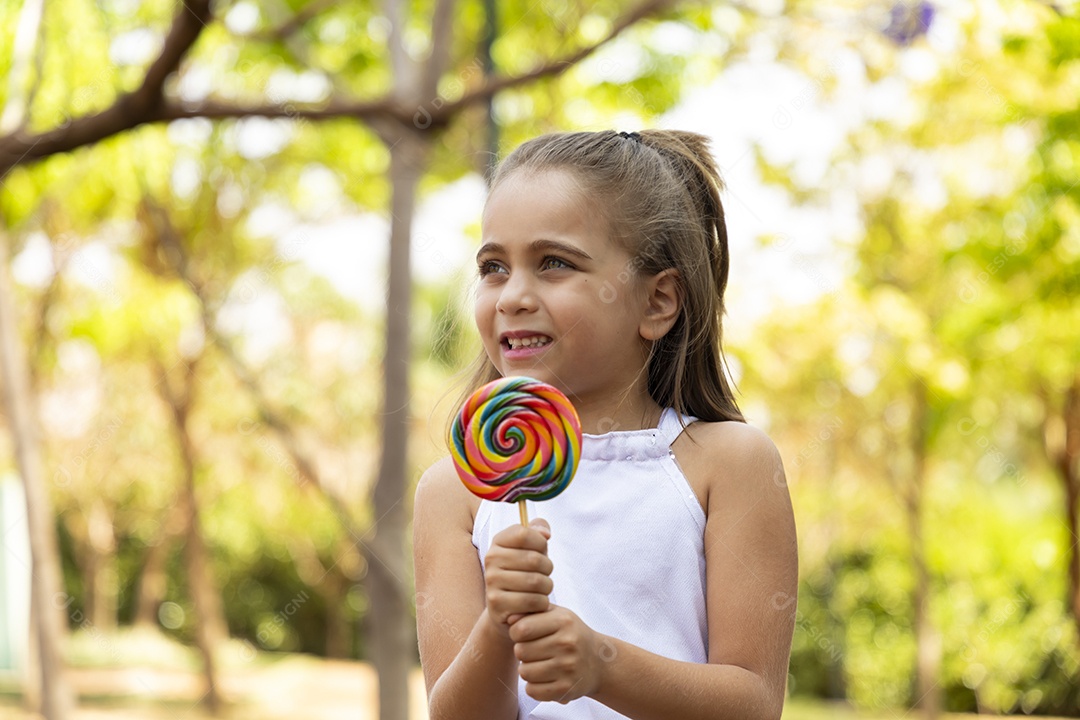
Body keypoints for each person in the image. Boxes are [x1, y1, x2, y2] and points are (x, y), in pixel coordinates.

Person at [413, 129, 798, 720]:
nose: (512, 295)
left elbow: (754, 703)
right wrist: (499, 623)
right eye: (493, 267)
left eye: (554, 263)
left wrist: (601, 663)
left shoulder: (730, 463)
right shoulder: (454, 491)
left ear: (656, 302)